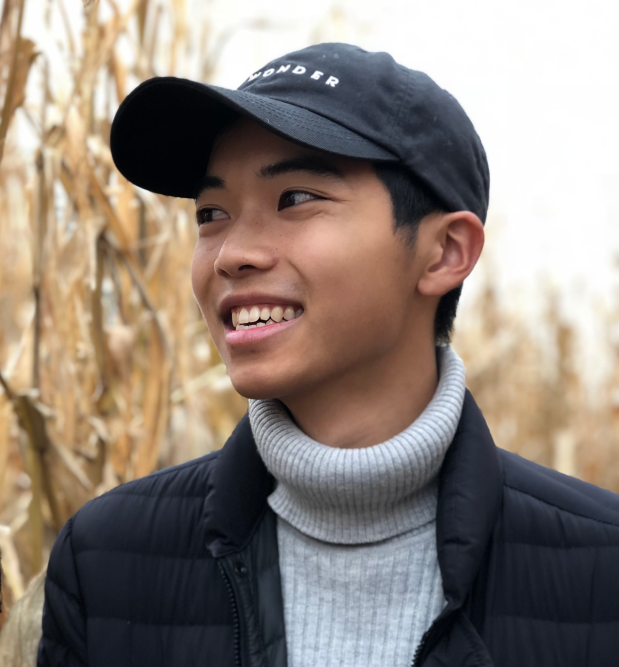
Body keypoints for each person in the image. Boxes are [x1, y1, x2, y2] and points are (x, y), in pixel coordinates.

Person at [36, 43, 619, 667]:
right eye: (211, 213)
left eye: (294, 199)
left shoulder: (601, 567)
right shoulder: (107, 562)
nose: (232, 253)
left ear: (445, 252)